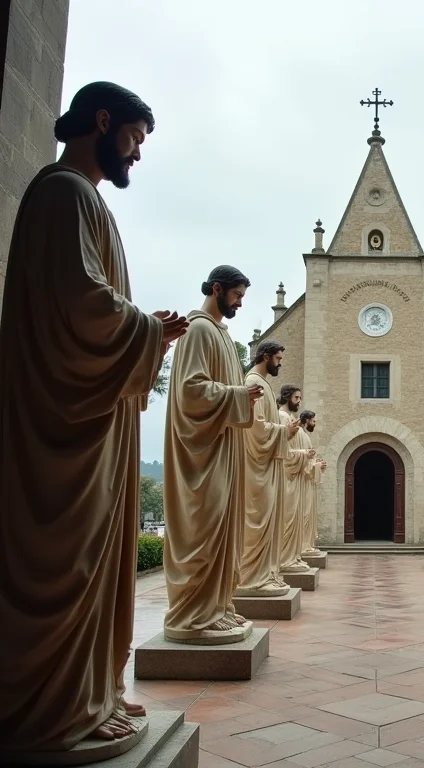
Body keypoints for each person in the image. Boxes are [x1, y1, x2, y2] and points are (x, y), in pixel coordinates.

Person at [0, 81, 188, 750]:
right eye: (134, 138)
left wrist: (143, 331)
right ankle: (57, 709)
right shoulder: (64, 193)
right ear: (102, 122)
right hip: (65, 422)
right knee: (69, 558)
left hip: (92, 419)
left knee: (92, 558)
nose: (136, 153)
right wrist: (149, 330)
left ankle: (89, 692)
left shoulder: (86, 200)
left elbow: (90, 302)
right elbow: (81, 304)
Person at [163, 266, 264, 644]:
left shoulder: (221, 334)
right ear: (217, 289)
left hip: (223, 450)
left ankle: (216, 607)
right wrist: (239, 395)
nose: (240, 303)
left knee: (223, 530)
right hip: (203, 455)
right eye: (237, 296)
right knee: (204, 529)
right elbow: (190, 391)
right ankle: (193, 614)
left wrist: (239, 397)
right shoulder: (198, 330)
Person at [237, 341, 300, 596]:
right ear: (265, 356)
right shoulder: (253, 382)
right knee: (258, 520)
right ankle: (252, 577)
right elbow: (255, 428)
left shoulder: (263, 383)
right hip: (257, 466)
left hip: (268, 465)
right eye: (278, 358)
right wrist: (284, 431)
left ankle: (266, 573)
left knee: (268, 520)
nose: (280, 363)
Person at [277, 385, 313, 573]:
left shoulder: (291, 419)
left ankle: (292, 556)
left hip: (297, 477)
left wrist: (309, 459)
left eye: (300, 398)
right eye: (296, 398)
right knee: (288, 518)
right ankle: (285, 559)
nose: (299, 401)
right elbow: (285, 452)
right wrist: (304, 455)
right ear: (287, 397)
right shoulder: (283, 418)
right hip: (288, 477)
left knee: (296, 518)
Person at [299, 410, 326, 556]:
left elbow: (308, 461)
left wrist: (318, 466)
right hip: (303, 483)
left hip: (307, 483)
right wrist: (316, 466)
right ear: (307, 420)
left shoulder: (305, 436)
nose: (315, 423)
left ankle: (307, 544)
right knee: (304, 514)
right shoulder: (300, 435)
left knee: (308, 515)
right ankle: (303, 546)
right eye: (313, 421)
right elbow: (300, 462)